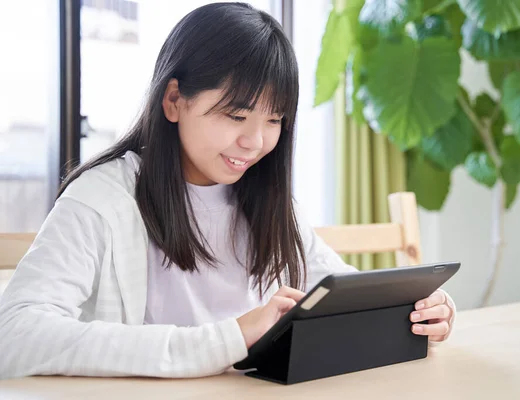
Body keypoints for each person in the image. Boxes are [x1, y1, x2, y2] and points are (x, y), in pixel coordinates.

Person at [0, 2, 456, 379]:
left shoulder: (269, 201)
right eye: (236, 116)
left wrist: (415, 309)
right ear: (174, 100)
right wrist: (228, 337)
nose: (255, 142)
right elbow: (14, 334)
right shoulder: (102, 201)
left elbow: (341, 294)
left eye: (274, 120)